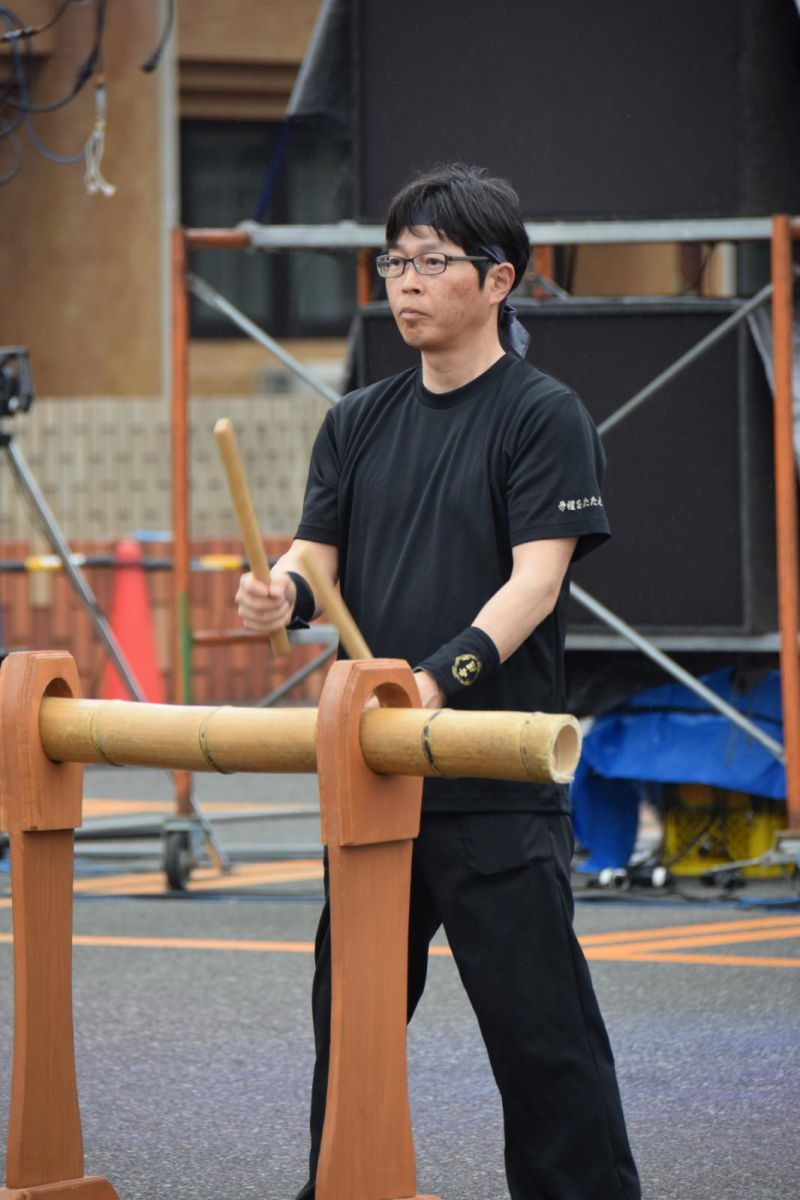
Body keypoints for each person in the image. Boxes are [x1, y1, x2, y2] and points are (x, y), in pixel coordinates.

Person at [236, 163, 641, 1200]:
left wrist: (435, 681)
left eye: (431, 262)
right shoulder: (357, 421)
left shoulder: (540, 415)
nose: (404, 283)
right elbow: (313, 559)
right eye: (393, 262)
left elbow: (534, 584)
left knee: (540, 1039)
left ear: (496, 279)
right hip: (371, 773)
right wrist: (281, 595)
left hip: (487, 775)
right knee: (352, 1028)